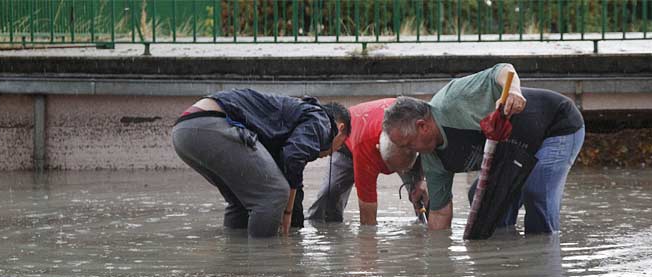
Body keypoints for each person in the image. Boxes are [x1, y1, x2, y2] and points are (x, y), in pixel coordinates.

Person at [382, 64, 585, 234]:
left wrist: (513, 90)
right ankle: (507, 255)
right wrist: (435, 258)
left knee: (536, 190)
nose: (411, 153)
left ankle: (545, 255)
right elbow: (440, 213)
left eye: (408, 144)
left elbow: (502, 69)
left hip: (556, 127)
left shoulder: (453, 99)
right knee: (484, 203)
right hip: (515, 154)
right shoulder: (433, 160)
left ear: (422, 126)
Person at [172, 89, 348, 238]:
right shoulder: (322, 120)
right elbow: (293, 158)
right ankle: (264, 264)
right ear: (340, 129)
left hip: (184, 131)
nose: (333, 152)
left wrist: (293, 220)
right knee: (274, 193)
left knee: (242, 204)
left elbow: (290, 170)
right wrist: (287, 213)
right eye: (341, 145)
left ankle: (235, 260)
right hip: (212, 124)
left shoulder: (295, 116)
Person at [307, 98, 420, 225]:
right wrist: (368, 234)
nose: (399, 172)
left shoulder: (419, 131)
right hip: (349, 139)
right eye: (393, 167)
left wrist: (421, 181)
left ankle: (424, 221)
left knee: (425, 195)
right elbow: (367, 215)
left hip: (405, 139)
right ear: (379, 151)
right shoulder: (365, 148)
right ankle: (320, 225)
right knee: (330, 192)